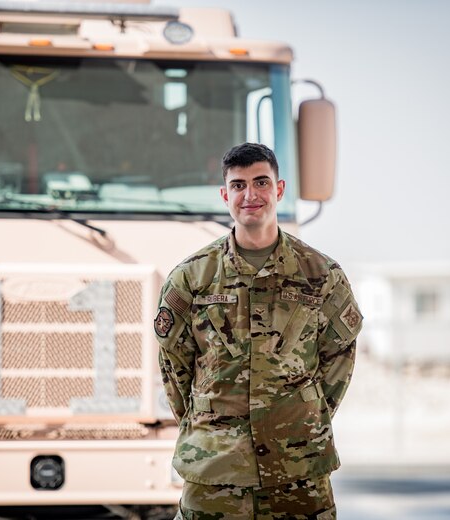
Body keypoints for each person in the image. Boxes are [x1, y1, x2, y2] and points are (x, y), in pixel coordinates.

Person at [155, 143, 362, 519]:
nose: (250, 195)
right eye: (238, 185)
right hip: (215, 473)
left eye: (261, 182)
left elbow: (338, 362)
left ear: (279, 190)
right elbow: (175, 367)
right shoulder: (192, 278)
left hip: (298, 473)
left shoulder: (321, 275)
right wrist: (211, 426)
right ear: (225, 195)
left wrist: (301, 418)